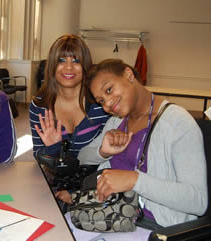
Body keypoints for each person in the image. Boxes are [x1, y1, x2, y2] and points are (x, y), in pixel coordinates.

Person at [78, 58, 208, 229]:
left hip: (153, 226)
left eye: (109, 90)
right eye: (101, 101)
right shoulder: (116, 122)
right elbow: (82, 157)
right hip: (112, 215)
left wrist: (134, 180)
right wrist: (103, 151)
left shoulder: (177, 122)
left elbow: (198, 201)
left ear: (128, 75)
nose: (108, 104)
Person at [29, 34, 110, 204]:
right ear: (52, 65)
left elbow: (109, 158)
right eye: (61, 60)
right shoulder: (40, 105)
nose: (68, 67)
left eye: (76, 61)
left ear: (85, 66)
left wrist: (77, 193)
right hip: (54, 187)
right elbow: (39, 155)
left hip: (95, 188)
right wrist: (51, 148)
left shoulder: (100, 105)